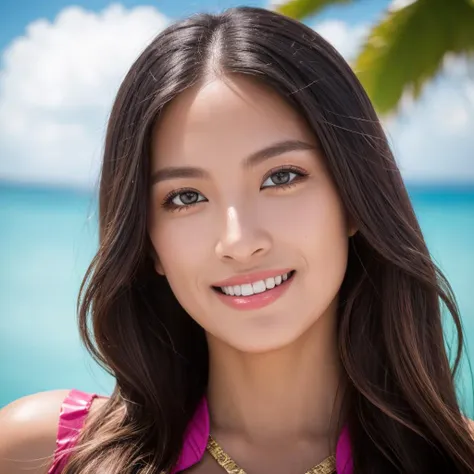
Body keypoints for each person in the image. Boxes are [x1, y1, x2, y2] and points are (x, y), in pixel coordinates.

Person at [1, 6, 474, 474]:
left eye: (281, 176)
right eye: (186, 197)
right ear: (148, 242)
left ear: (353, 198)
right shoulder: (43, 453)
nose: (239, 241)